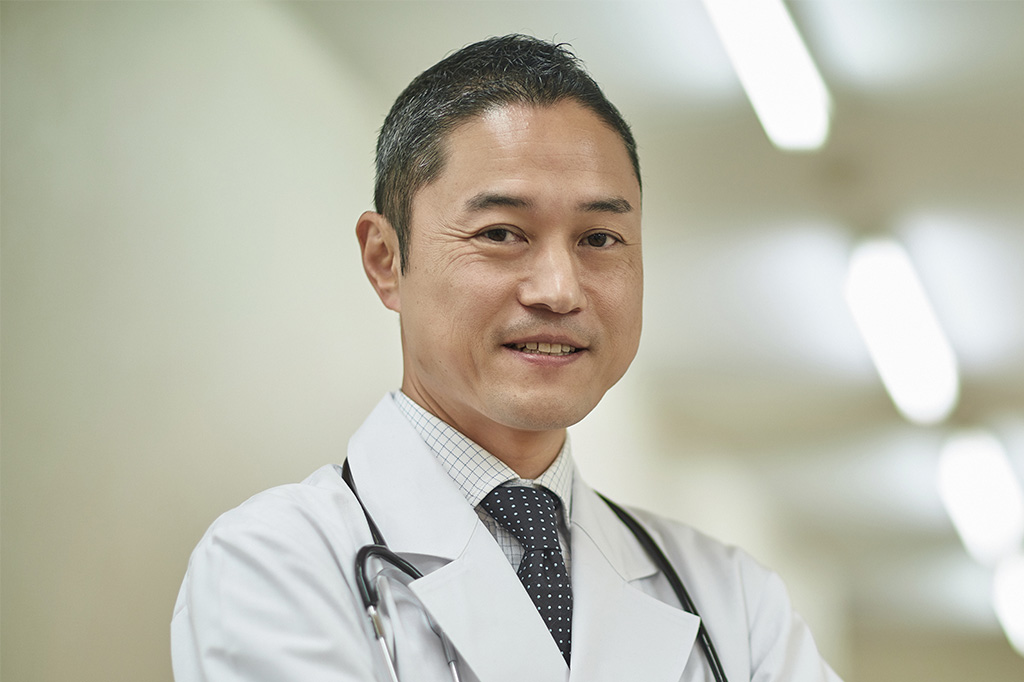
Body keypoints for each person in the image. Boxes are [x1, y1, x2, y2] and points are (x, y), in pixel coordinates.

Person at [171, 34, 842, 682]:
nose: (559, 289)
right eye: (500, 233)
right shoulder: (274, 564)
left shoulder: (732, 602)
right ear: (386, 259)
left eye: (600, 238)